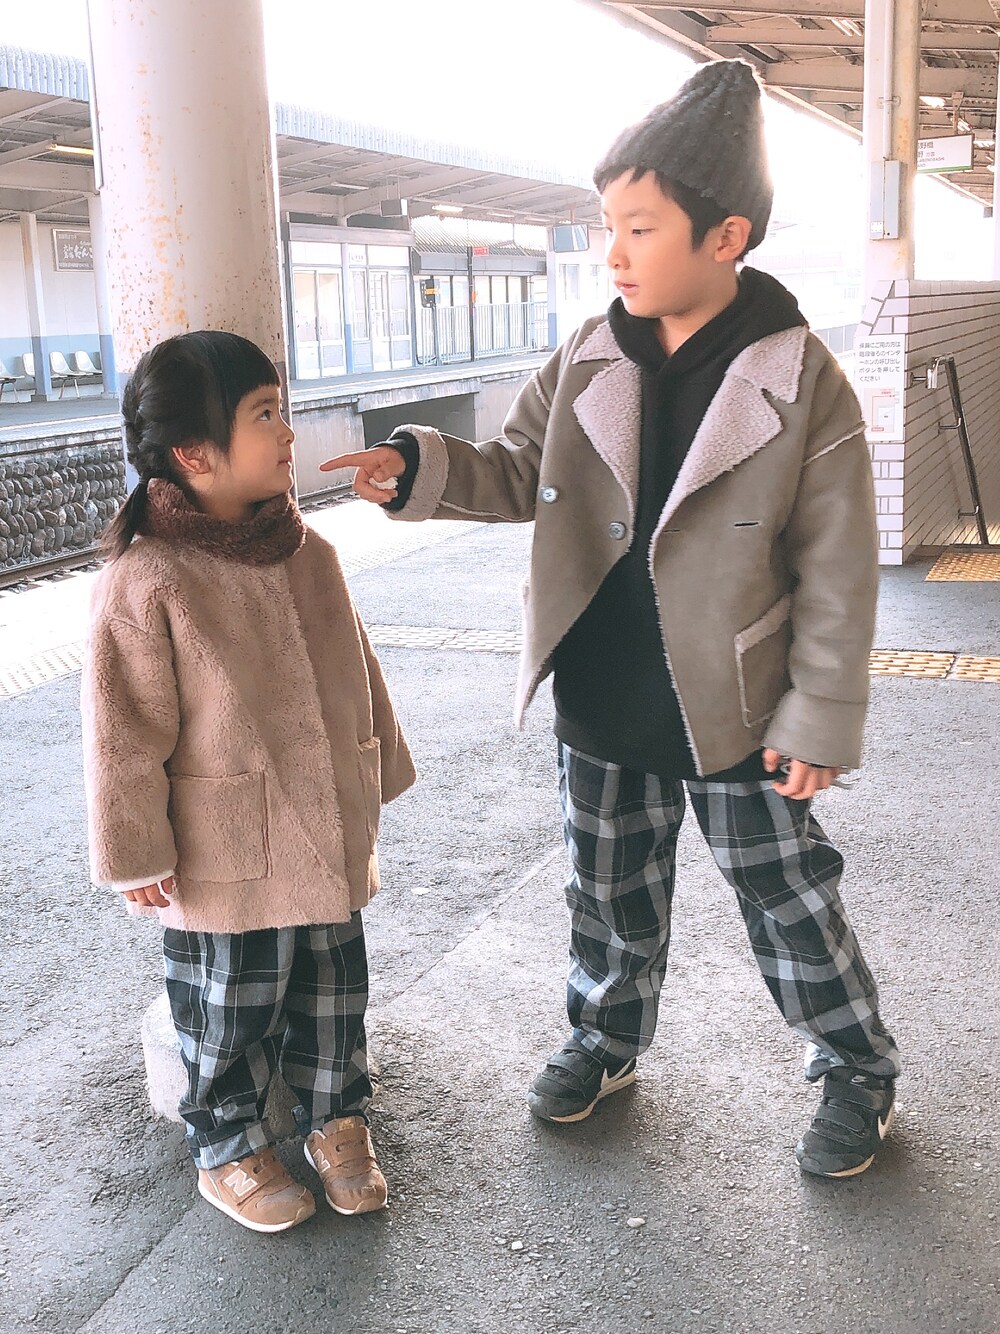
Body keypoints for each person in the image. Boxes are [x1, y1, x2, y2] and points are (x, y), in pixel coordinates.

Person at [324, 59, 900, 1179]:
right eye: (608, 228)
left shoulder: (801, 378)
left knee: (787, 894)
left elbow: (836, 568)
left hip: (736, 704)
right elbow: (513, 468)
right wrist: (418, 469)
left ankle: (855, 1067)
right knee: (606, 888)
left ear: (726, 237)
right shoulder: (592, 352)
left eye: (640, 229)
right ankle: (604, 1038)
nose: (615, 253)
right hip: (600, 686)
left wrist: (819, 714)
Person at [81, 330, 415, 1231]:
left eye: (282, 409)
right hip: (222, 844)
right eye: (265, 414)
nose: (288, 431)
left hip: (326, 822)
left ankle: (336, 1116)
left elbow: (357, 670)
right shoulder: (147, 577)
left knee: (334, 990)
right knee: (228, 1004)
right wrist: (134, 853)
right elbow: (121, 732)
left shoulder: (310, 553)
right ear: (195, 453)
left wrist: (379, 763)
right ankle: (226, 1145)